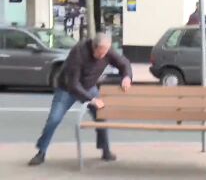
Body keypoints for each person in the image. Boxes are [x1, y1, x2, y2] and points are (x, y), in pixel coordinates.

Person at [28, 33, 132, 166]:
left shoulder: (107, 50)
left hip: (89, 86)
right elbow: (73, 84)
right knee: (54, 119)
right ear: (94, 48)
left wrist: (127, 77)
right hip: (67, 88)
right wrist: (91, 99)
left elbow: (124, 63)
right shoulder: (78, 53)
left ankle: (105, 150)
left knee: (101, 116)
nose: (102, 57)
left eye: (105, 53)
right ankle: (41, 152)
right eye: (100, 54)